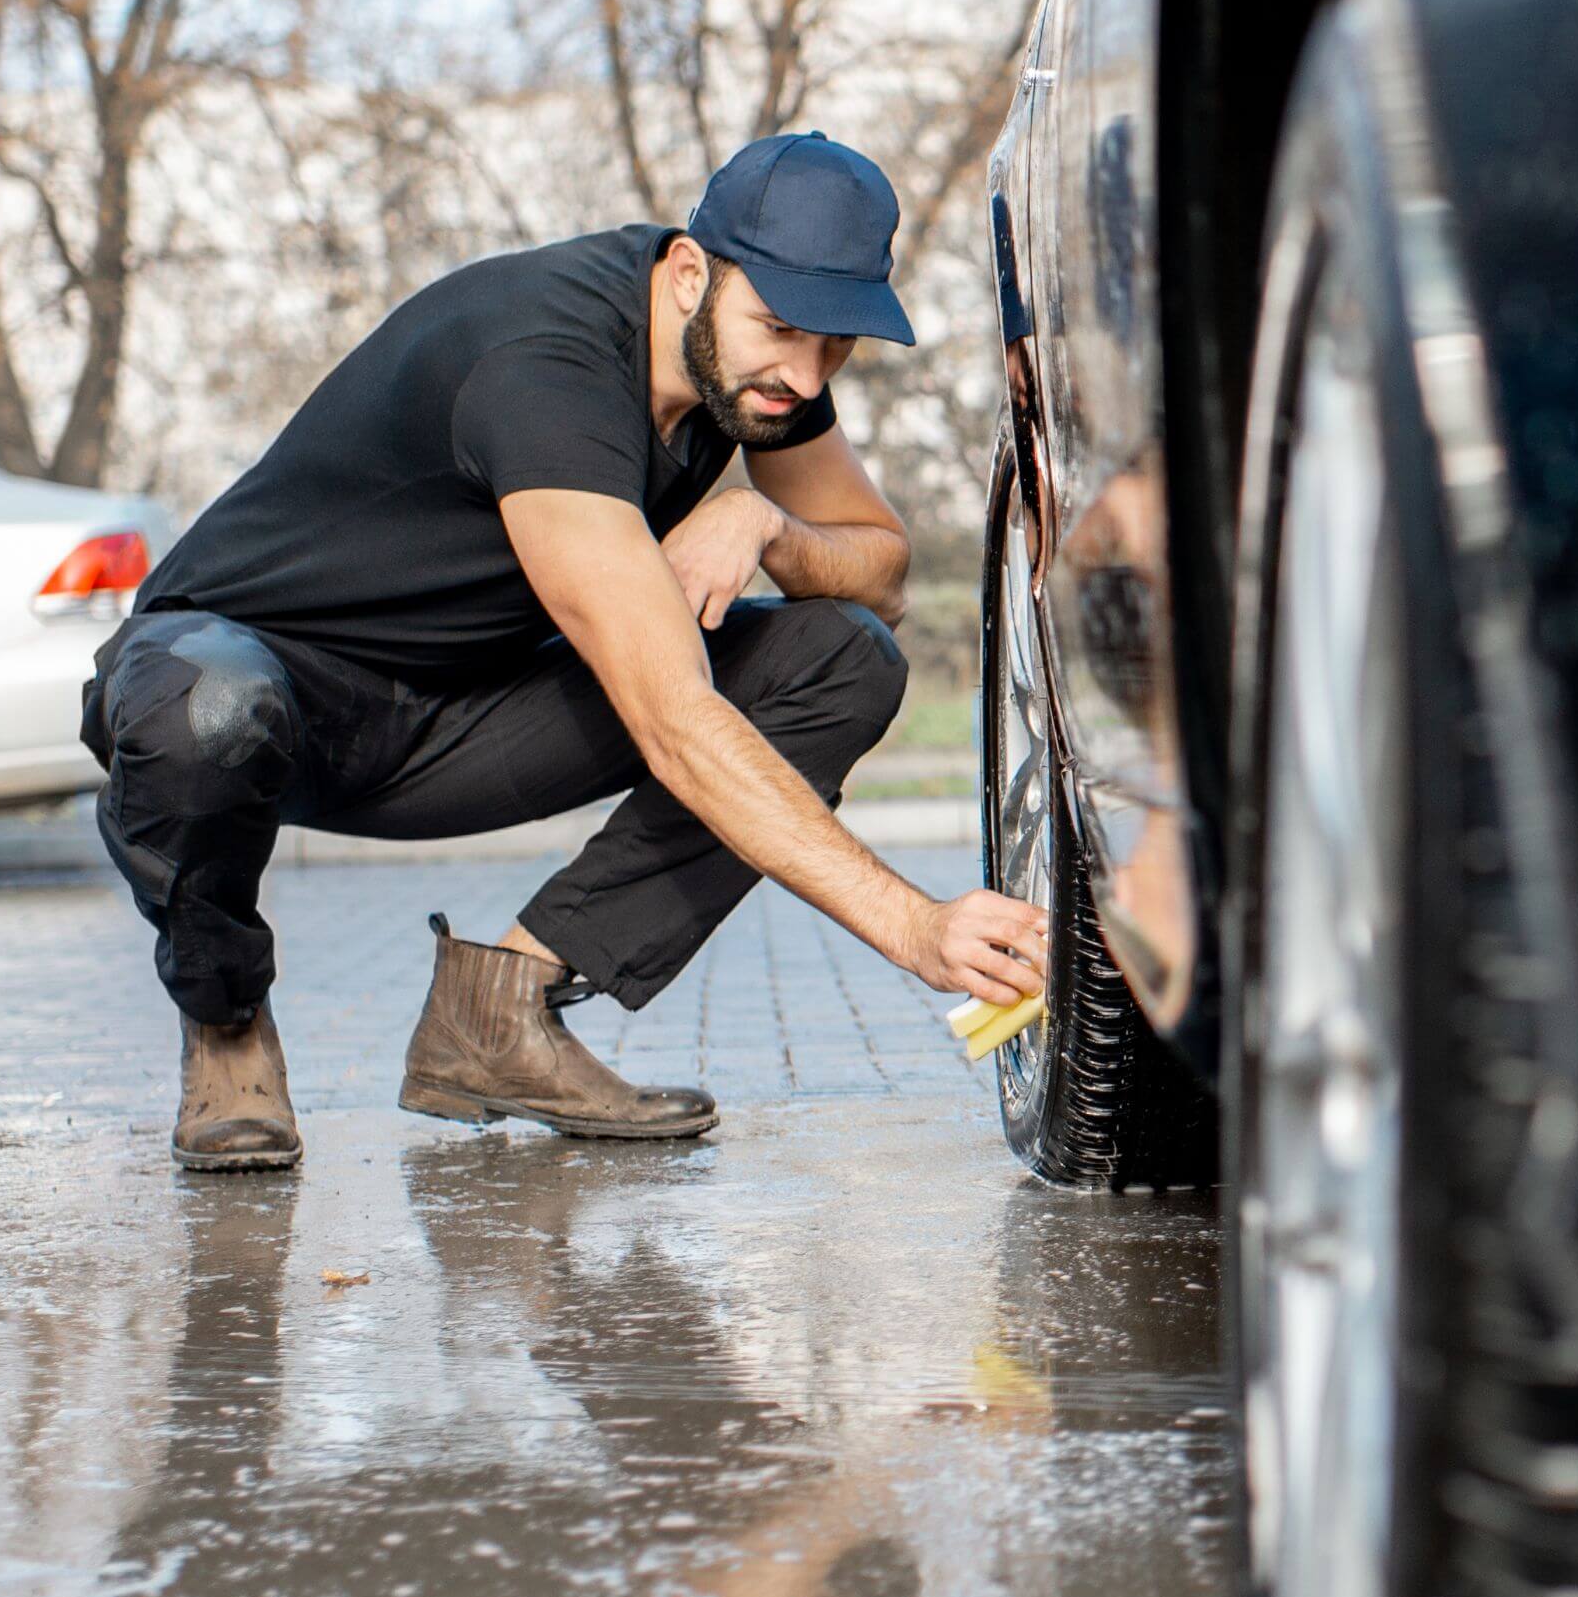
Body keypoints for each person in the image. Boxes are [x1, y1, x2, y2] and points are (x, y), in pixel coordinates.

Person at [83, 132, 1048, 1170]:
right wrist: (912, 927)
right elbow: (675, 724)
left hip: (464, 714)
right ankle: (226, 1023)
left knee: (843, 654)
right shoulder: (543, 363)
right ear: (688, 273)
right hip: (262, 691)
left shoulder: (759, 373)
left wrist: (764, 527)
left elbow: (883, 574)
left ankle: (500, 1013)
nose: (805, 374)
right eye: (781, 329)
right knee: (208, 709)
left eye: (835, 344)